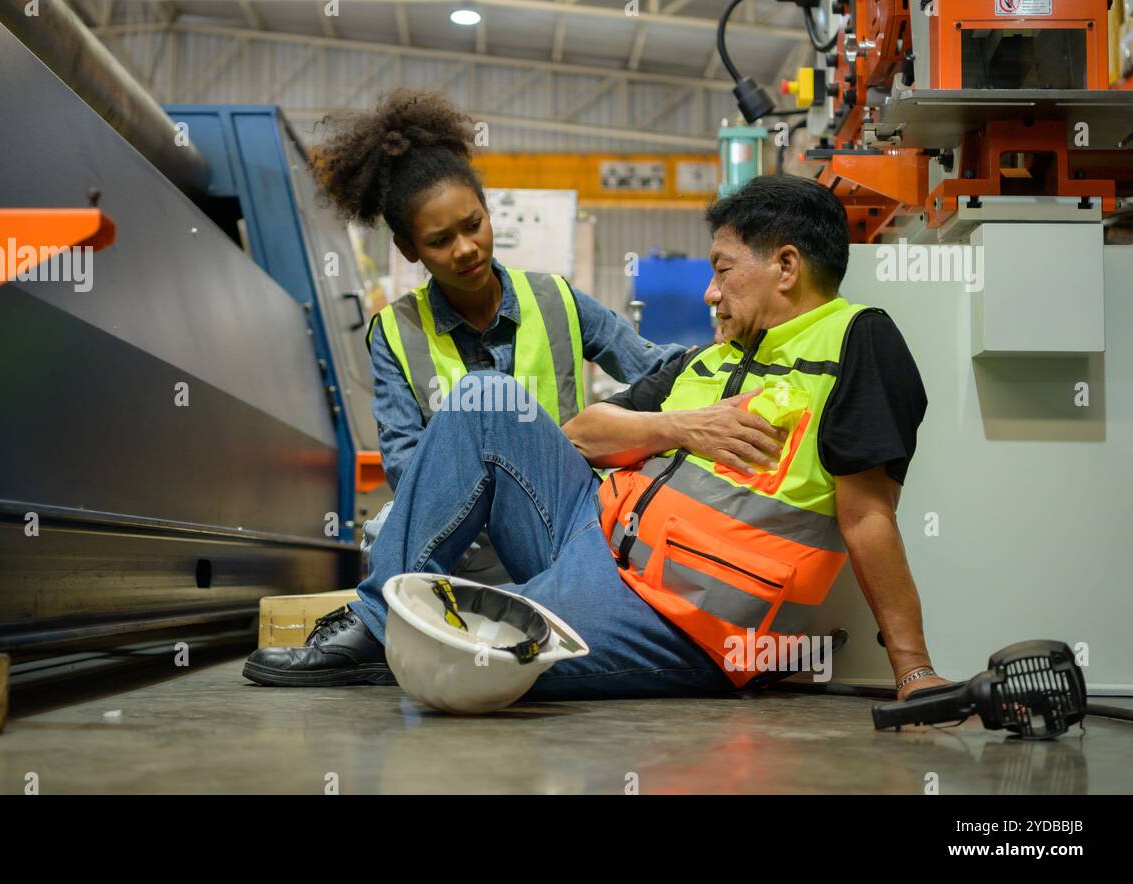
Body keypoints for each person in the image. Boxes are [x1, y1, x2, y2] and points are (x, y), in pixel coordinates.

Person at [244, 174, 951, 703]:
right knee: (489, 398)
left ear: (788, 267)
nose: (711, 292)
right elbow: (582, 435)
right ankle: (375, 620)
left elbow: (867, 514)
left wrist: (913, 669)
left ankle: (438, 627)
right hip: (591, 529)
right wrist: (682, 426)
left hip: (673, 610)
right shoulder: (711, 360)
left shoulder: (856, 340)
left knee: (461, 671)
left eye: (723, 270)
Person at [310, 89, 683, 583]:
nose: (466, 249)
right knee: (383, 533)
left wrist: (740, 361)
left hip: (560, 520)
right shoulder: (396, 332)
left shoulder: (556, 299)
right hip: (466, 537)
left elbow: (658, 370)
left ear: (487, 211)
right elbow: (404, 465)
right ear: (407, 249)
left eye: (473, 225)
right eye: (440, 241)